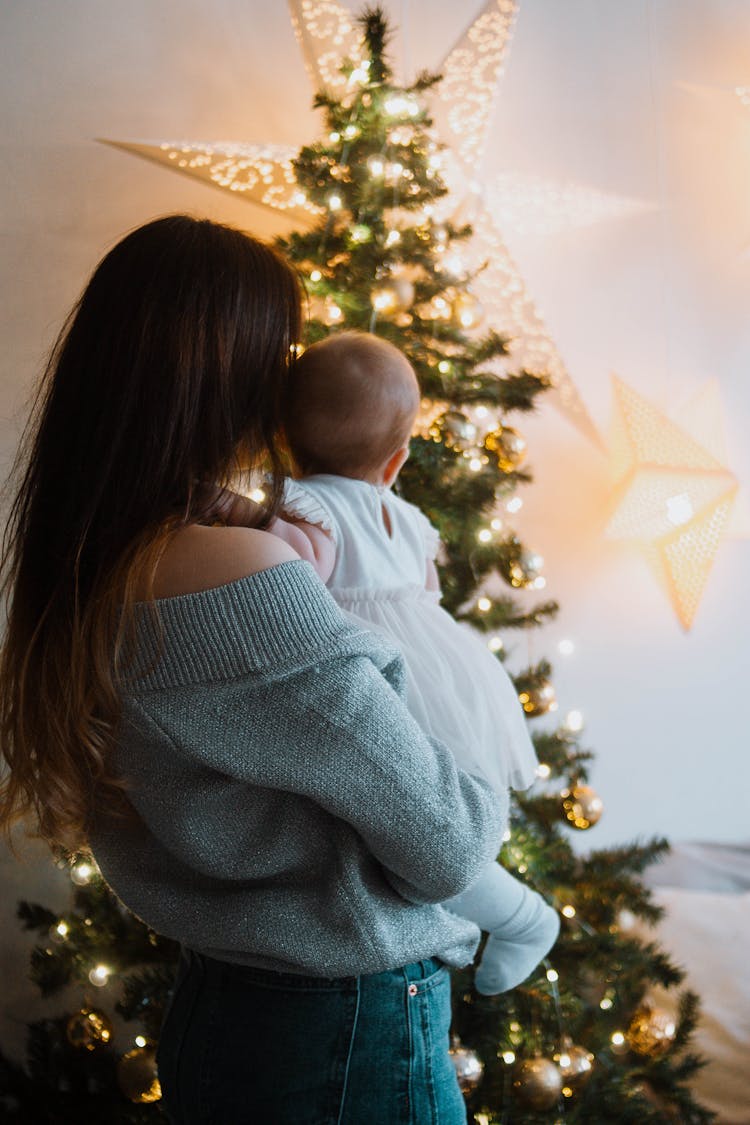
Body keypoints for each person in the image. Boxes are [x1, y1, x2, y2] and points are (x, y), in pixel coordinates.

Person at [0, 216, 506, 1125]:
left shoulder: (102, 556)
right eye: (280, 351)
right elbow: (452, 840)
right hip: (345, 1029)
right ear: (230, 377)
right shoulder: (242, 578)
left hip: (236, 1012)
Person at [216, 331, 559, 996]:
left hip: (381, 686)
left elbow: (288, 606)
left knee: (415, 833)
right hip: (439, 675)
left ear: (283, 438)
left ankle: (523, 918)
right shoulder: (407, 519)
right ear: (397, 460)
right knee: (429, 823)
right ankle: (504, 916)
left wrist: (224, 509)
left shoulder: (304, 512)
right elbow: (425, 597)